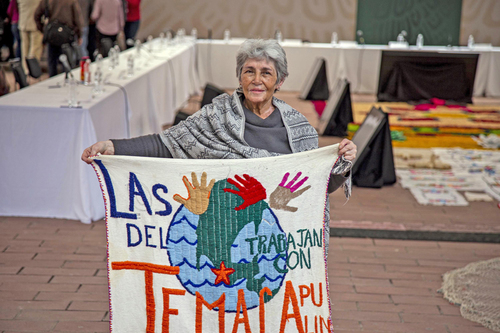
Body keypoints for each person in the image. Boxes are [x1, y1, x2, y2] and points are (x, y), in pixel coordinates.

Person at [82, 39, 357, 234]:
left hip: (274, 237)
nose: (257, 80)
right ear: (240, 77)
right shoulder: (215, 116)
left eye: (266, 73)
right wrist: (112, 146)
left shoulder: (299, 130)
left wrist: (342, 164)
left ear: (280, 81)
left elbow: (317, 185)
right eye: (249, 71)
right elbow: (166, 144)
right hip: (220, 232)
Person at [34, 0, 84, 77]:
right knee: (66, 61)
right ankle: (66, 80)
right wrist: (79, 35)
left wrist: (43, 30)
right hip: (66, 34)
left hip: (53, 34)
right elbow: (77, 18)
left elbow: (36, 15)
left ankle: (52, 80)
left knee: (52, 62)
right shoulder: (71, 1)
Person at [17, 0, 43, 73]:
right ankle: (33, 71)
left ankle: (25, 70)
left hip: (23, 24)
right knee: (35, 49)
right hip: (35, 25)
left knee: (24, 49)